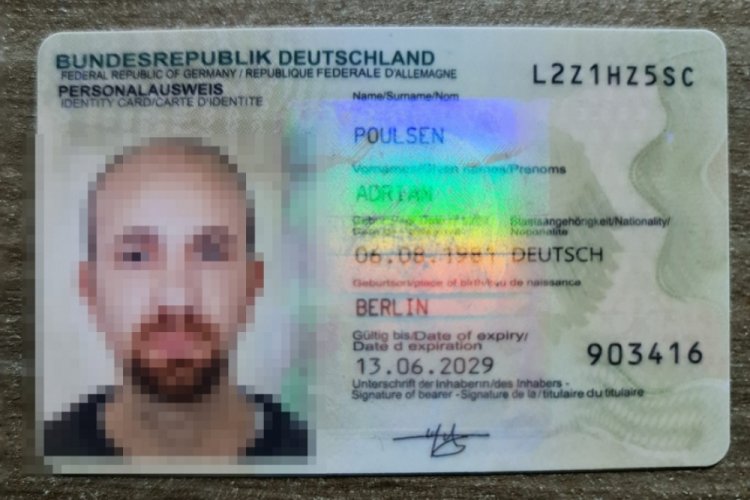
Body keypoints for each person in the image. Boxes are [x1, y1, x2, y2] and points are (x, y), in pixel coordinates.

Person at [44, 138, 307, 458]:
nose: (177, 298)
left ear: (253, 284)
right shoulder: (33, 463)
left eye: (211, 253)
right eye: (136, 256)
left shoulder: (325, 458)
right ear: (90, 290)